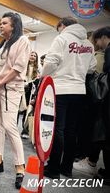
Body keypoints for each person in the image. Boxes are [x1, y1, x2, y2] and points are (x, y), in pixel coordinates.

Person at [42, 17, 96, 179]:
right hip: (79, 91)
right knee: (71, 130)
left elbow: (51, 62)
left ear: (62, 25)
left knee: (58, 129)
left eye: (58, 28)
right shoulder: (88, 44)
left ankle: (53, 169)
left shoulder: (61, 38)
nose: (58, 30)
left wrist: (42, 75)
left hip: (60, 89)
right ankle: (66, 168)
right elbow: (92, 68)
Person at [0, 12, 31, 189]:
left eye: (4, 23)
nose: (0, 25)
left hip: (10, 89)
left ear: (14, 25)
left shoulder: (23, 41)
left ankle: (20, 167)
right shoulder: (1, 45)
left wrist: (0, 82)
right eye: (0, 23)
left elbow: (18, 68)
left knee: (10, 126)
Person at [74, 26, 110, 185]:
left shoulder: (107, 51)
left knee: (104, 135)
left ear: (103, 37)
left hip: (105, 101)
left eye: (97, 39)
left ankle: (100, 169)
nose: (97, 43)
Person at [19, 51, 40, 139]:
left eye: (34, 56)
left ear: (36, 58)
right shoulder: (23, 66)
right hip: (21, 89)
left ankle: (25, 130)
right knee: (16, 110)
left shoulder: (38, 69)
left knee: (27, 111)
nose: (32, 57)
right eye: (31, 55)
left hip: (30, 91)